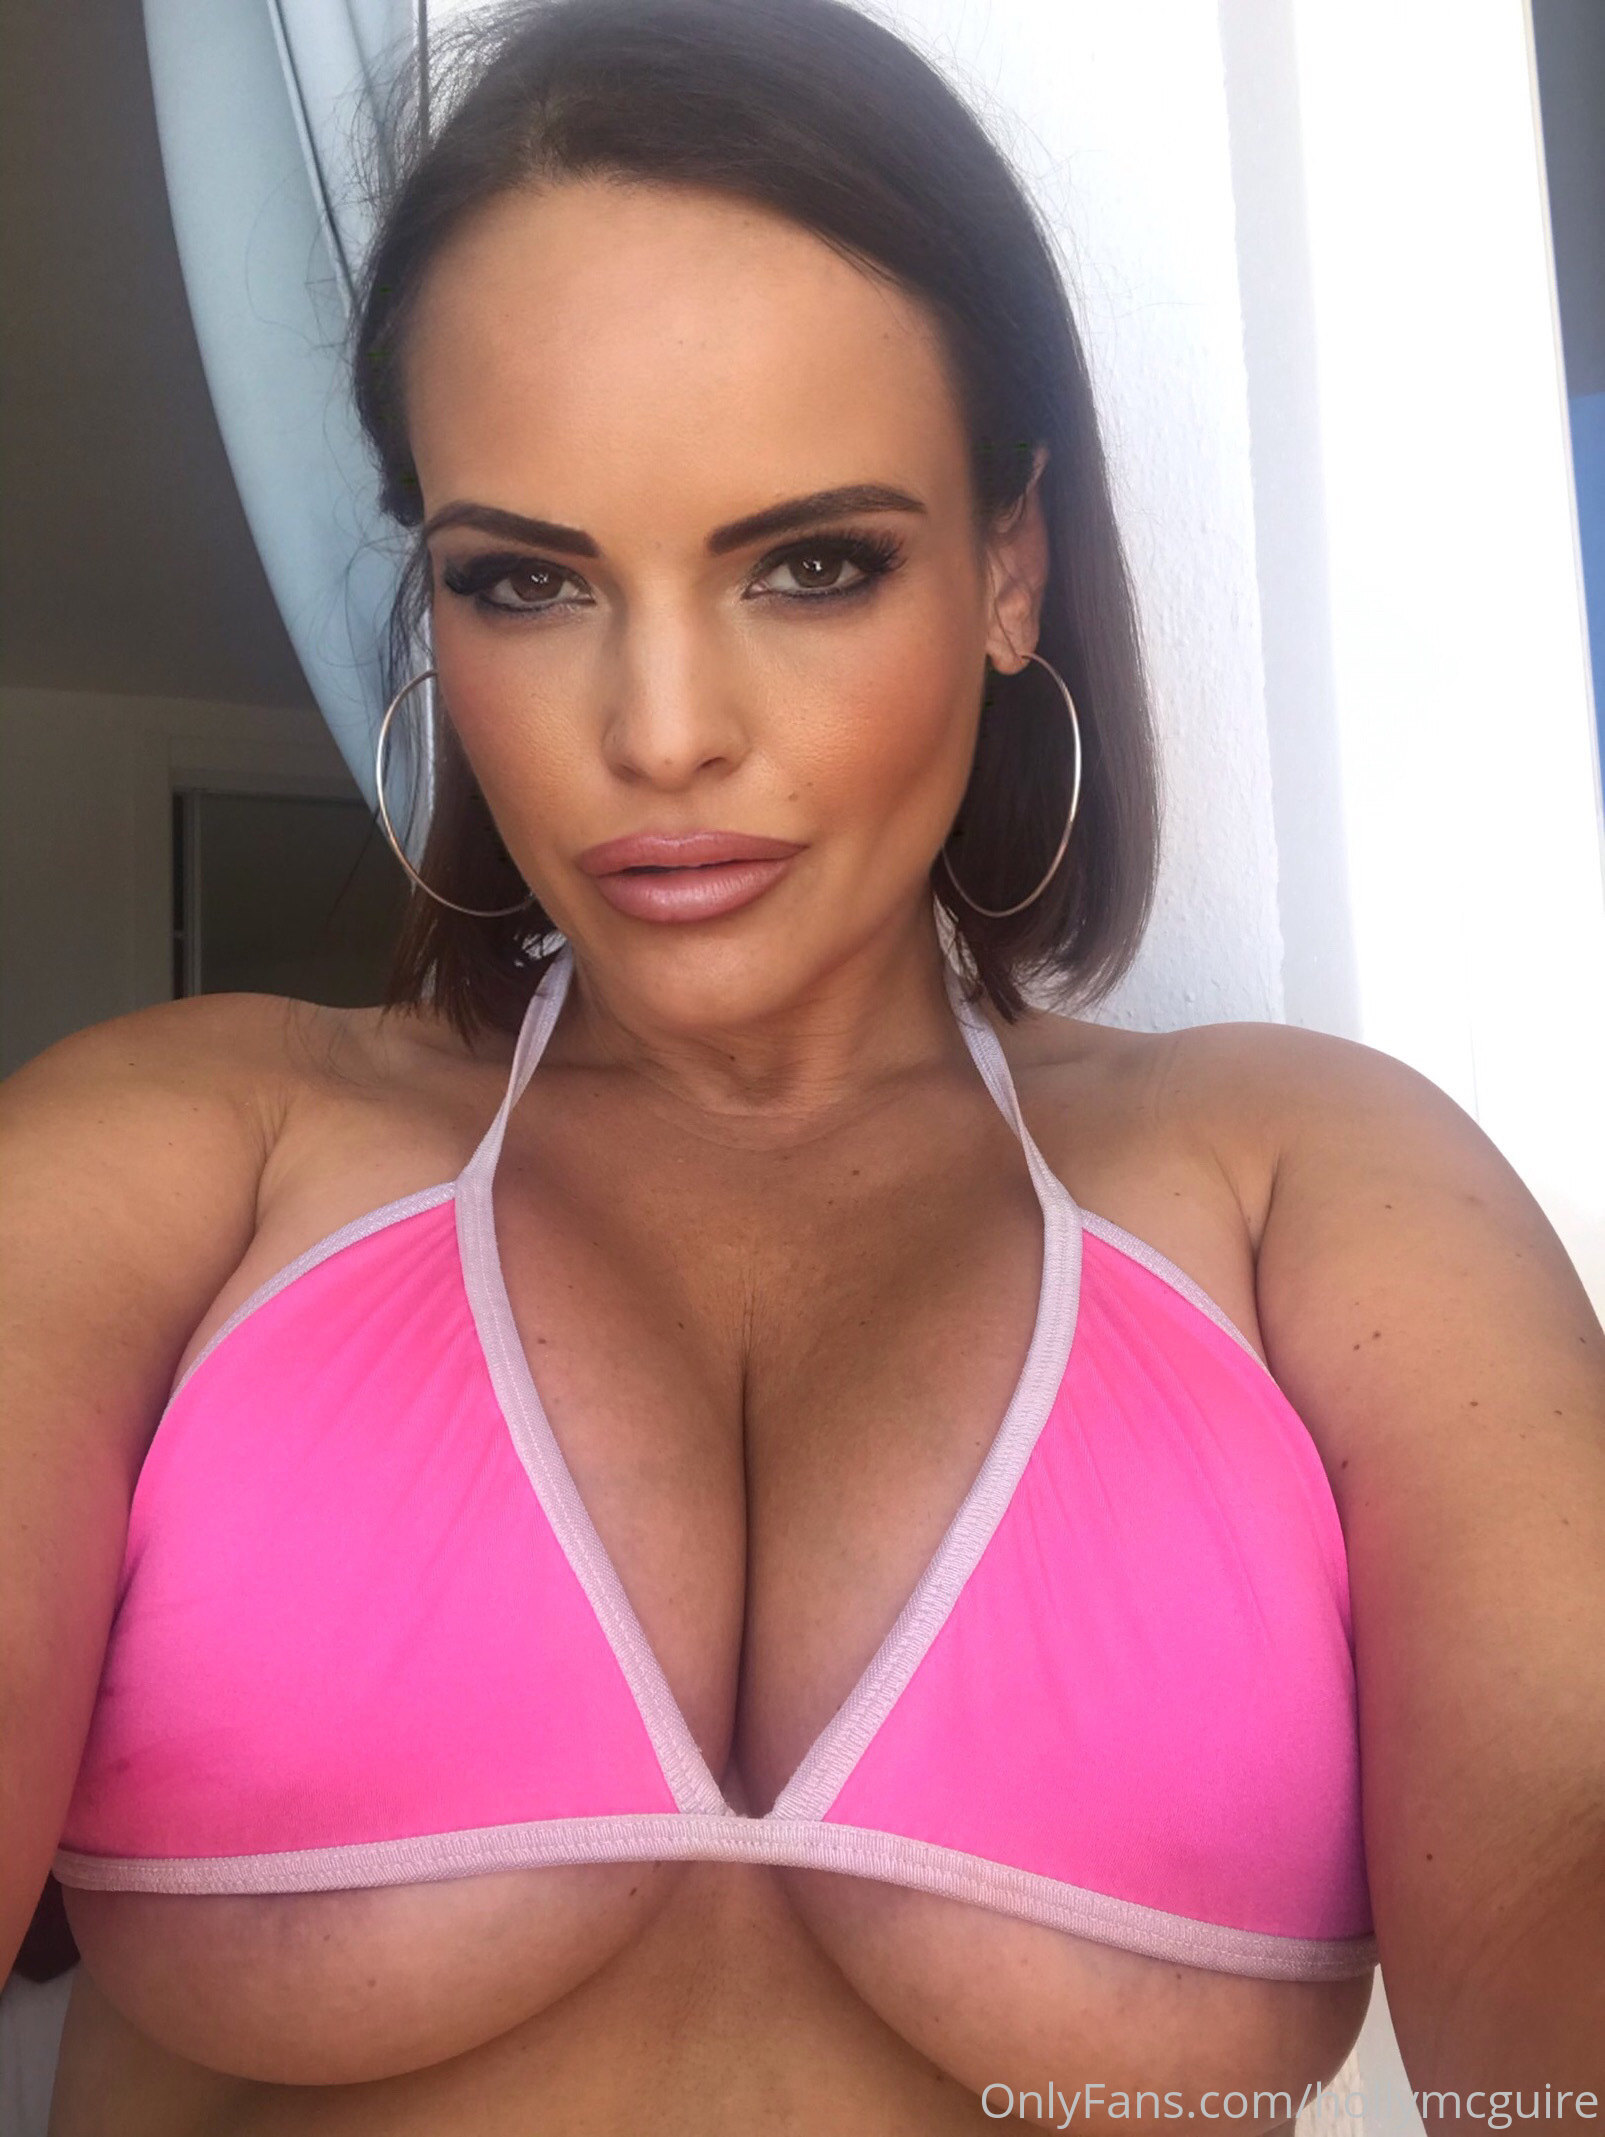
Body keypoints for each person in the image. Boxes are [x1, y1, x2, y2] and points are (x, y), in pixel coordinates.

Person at [4, 1, 1602, 2130]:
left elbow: (1562, 1859)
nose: (663, 731)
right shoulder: (168, 1162)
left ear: (1008, 566)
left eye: (810, 562)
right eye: (526, 580)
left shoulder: (1309, 1184)